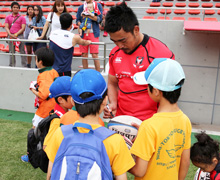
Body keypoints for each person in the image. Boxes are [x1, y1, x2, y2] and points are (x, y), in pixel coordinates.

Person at [45, 69, 135, 180]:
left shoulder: (60, 134)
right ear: (105, 100)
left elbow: (50, 175)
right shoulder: (115, 141)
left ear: (73, 101)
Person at [103, 2, 175, 121]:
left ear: (136, 30)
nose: (119, 46)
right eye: (114, 41)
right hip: (121, 121)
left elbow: (170, 95)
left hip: (150, 123)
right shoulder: (115, 54)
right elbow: (112, 83)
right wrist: (113, 104)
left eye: (123, 40)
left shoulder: (160, 54)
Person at [128, 58, 192, 180]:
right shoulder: (185, 120)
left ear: (156, 91)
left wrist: (121, 158)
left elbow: (139, 171)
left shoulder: (149, 126)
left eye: (148, 85)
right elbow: (185, 162)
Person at [21, 47, 59, 162]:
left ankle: (31, 155)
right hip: (54, 108)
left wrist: (32, 89)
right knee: (49, 133)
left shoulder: (44, 75)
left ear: (40, 62)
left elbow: (43, 95)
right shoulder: (53, 71)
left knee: (34, 133)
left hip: (44, 110)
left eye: (36, 59)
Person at [43, 76, 73, 150]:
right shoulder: (57, 121)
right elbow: (46, 146)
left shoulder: (65, 113)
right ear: (61, 100)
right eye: (73, 96)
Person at [76, 0, 102, 72]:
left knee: (94, 55)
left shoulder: (97, 5)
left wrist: (88, 15)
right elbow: (77, 20)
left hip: (94, 33)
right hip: (84, 33)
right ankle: (85, 73)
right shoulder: (81, 7)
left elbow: (99, 19)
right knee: (84, 55)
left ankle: (98, 73)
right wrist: (81, 25)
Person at [5, 2, 27, 67]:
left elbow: (23, 28)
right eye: (14, 7)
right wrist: (10, 34)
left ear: (19, 9)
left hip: (19, 36)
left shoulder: (22, 18)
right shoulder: (8, 17)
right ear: (11, 8)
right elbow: (6, 27)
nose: (15, 9)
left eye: (17, 7)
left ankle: (24, 66)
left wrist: (16, 34)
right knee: (11, 52)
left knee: (22, 51)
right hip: (11, 36)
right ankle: (12, 65)